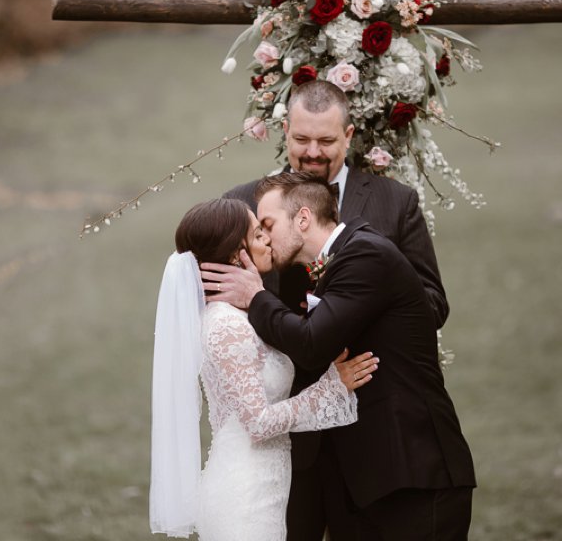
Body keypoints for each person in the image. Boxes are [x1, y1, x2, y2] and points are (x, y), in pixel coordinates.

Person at [223, 80, 452, 540]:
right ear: (284, 131)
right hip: (287, 431)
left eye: (326, 141)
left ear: (349, 136)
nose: (312, 153)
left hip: (376, 430)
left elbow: (430, 305)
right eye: (301, 139)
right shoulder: (244, 204)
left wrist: (350, 306)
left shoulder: (394, 202)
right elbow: (224, 297)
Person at [203, 173, 476, 541]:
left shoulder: (364, 253)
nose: (264, 238)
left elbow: (313, 345)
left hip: (414, 471)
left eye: (268, 225)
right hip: (376, 479)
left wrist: (256, 296)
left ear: (302, 219)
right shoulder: (341, 262)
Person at [149, 198, 378, 541]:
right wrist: (332, 386)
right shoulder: (227, 326)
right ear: (234, 256)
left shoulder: (239, 316)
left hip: (263, 487)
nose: (268, 240)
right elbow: (258, 424)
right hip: (245, 498)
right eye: (258, 235)